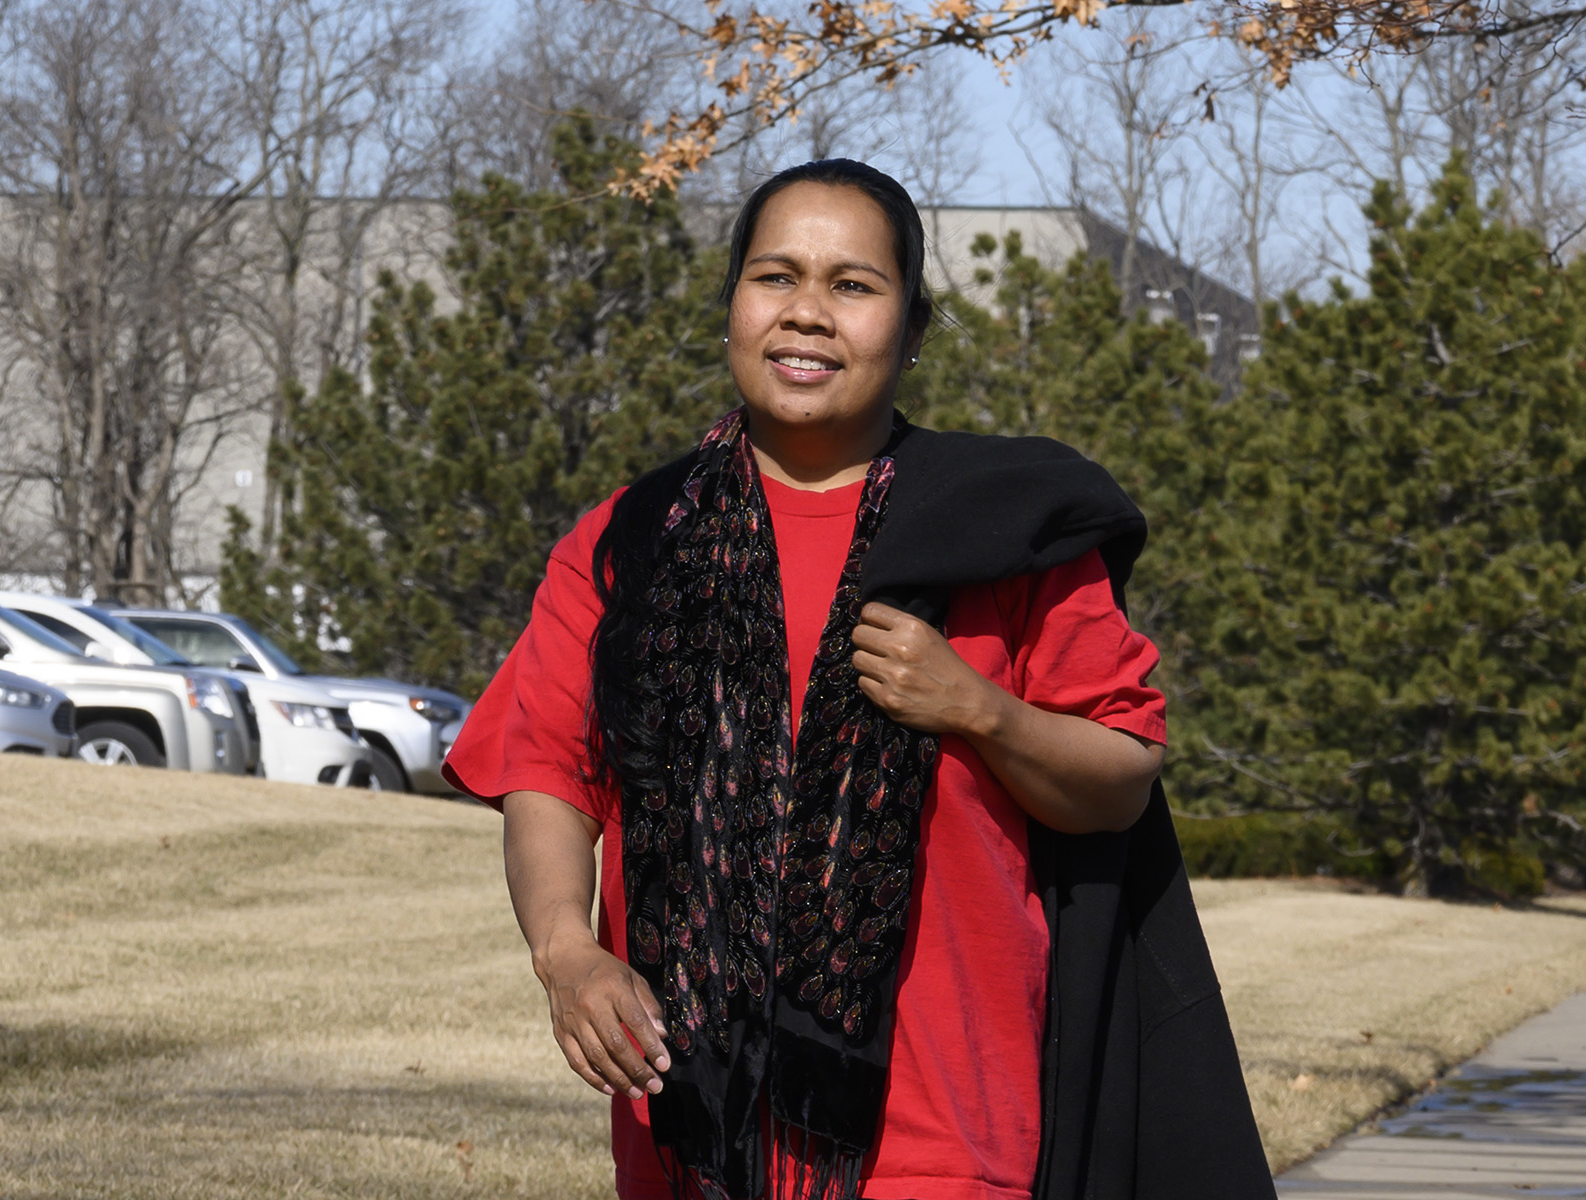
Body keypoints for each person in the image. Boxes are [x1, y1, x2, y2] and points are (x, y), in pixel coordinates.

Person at [443, 160, 1273, 1200]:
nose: (806, 314)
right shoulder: (632, 542)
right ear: (733, 305)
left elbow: (1121, 778)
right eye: (774, 276)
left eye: (853, 285)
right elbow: (548, 772)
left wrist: (979, 711)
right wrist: (567, 952)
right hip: (694, 1138)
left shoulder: (1008, 534)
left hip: (946, 1139)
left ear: (912, 327)